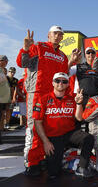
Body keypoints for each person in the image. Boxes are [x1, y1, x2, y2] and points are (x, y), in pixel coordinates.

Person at [16, 27, 81, 175]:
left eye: (60, 34)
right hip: (37, 92)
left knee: (48, 127)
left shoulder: (63, 55)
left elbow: (64, 73)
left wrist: (70, 62)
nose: (58, 36)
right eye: (55, 33)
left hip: (54, 94)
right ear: (49, 35)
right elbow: (22, 62)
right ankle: (32, 163)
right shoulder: (39, 46)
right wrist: (25, 48)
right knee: (34, 127)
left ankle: (42, 158)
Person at [32, 73, 95, 179]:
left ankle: (82, 167)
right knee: (53, 172)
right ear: (53, 83)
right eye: (57, 81)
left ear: (67, 85)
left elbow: (79, 118)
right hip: (52, 137)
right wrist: (46, 141)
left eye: (64, 81)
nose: (61, 83)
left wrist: (79, 104)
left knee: (88, 138)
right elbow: (37, 122)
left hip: (69, 134)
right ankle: (59, 158)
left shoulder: (73, 99)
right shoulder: (43, 99)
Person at [0, 56, 10, 133]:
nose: (6, 63)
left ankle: (2, 127)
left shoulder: (3, 70)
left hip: (4, 97)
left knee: (3, 112)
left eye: (7, 61)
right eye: (5, 61)